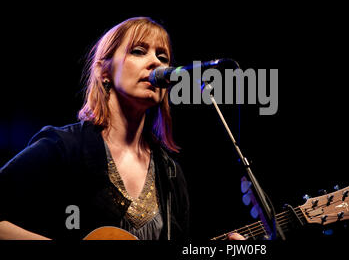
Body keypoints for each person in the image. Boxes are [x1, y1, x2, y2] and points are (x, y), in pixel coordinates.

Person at [0, 16, 244, 240]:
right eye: (139, 51)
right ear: (104, 72)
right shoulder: (64, 147)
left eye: (163, 57)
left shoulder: (170, 175)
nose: (155, 64)